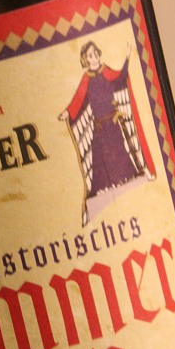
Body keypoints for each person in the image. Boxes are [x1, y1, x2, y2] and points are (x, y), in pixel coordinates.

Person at [59, 40, 155, 225]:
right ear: (85, 60)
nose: (94, 57)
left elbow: (119, 78)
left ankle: (127, 178)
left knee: (119, 150)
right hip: (99, 127)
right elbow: (78, 99)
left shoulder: (106, 71)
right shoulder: (86, 78)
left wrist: (127, 57)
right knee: (100, 157)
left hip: (112, 122)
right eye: (90, 55)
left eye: (95, 54)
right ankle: (102, 188)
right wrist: (68, 112)